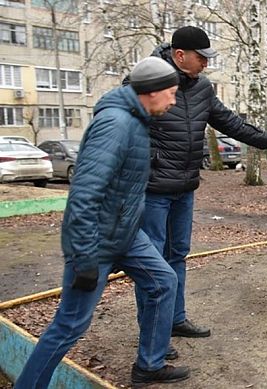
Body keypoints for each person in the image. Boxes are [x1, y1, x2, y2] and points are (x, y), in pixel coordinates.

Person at [14, 57, 192, 389]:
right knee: (70, 325)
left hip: (124, 234)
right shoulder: (115, 124)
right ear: (151, 92)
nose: (173, 100)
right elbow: (83, 194)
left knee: (163, 282)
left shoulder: (137, 121)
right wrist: (83, 258)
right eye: (170, 93)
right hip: (95, 242)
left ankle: (149, 366)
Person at [133, 26, 267, 356]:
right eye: (201, 57)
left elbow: (228, 121)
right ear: (180, 55)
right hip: (155, 189)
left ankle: (174, 320)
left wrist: (266, 140)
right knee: (153, 262)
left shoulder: (202, 87)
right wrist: (147, 161)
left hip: (185, 187)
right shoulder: (149, 80)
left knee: (177, 255)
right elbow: (125, 122)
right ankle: (153, 334)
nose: (206, 63)